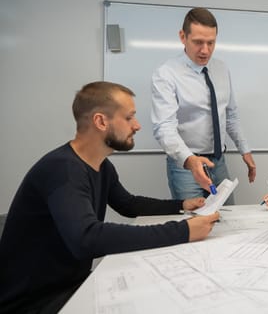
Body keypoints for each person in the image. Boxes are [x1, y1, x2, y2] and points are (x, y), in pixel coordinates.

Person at [0, 81, 220, 314]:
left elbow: (128, 204)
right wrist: (183, 231)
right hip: (35, 301)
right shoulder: (62, 170)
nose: (137, 126)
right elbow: (86, 238)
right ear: (101, 121)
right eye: (129, 118)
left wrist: (182, 205)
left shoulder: (101, 166)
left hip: (71, 287)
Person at [151, 7, 256, 204]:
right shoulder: (166, 74)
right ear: (183, 37)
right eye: (198, 42)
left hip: (218, 161)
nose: (205, 50)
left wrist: (245, 151)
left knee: (228, 218)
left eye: (211, 42)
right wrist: (190, 162)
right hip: (186, 165)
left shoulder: (221, 68)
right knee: (196, 224)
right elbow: (163, 128)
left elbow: (230, 115)